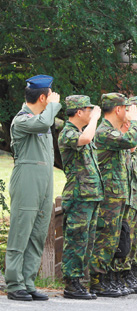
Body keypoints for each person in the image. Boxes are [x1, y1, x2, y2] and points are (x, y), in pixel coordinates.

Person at [5, 74, 62, 301]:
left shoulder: (42, 118)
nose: (53, 99)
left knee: (37, 233)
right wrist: (54, 105)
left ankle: (28, 282)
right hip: (27, 179)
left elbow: (48, 123)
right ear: (42, 97)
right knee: (21, 233)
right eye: (51, 95)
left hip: (44, 180)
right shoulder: (23, 119)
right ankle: (14, 283)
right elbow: (44, 122)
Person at [89, 93, 137, 297]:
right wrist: (136, 122)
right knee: (105, 237)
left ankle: (107, 277)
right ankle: (96, 281)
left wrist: (130, 125)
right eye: (126, 109)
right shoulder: (103, 132)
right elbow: (132, 139)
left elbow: (132, 144)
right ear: (118, 110)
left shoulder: (113, 131)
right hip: (108, 194)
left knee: (115, 238)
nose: (129, 113)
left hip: (117, 193)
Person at [58, 95, 102, 300]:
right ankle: (71, 283)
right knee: (76, 239)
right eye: (89, 110)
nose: (92, 113)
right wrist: (95, 120)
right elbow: (85, 140)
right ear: (79, 112)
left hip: (89, 195)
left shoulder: (80, 132)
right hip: (78, 195)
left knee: (86, 240)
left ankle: (79, 281)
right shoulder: (68, 132)